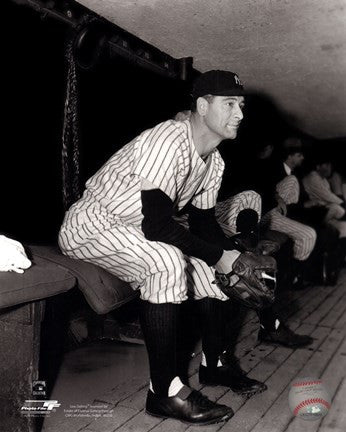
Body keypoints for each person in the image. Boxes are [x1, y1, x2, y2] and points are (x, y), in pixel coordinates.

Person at [59, 69, 269, 425]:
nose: (240, 113)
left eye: (242, 105)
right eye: (230, 103)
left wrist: (235, 260)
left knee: (211, 273)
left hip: (135, 230)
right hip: (93, 223)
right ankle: (164, 393)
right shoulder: (169, 138)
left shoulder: (214, 161)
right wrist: (223, 256)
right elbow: (157, 225)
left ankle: (214, 365)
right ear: (203, 106)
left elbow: (203, 225)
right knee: (167, 261)